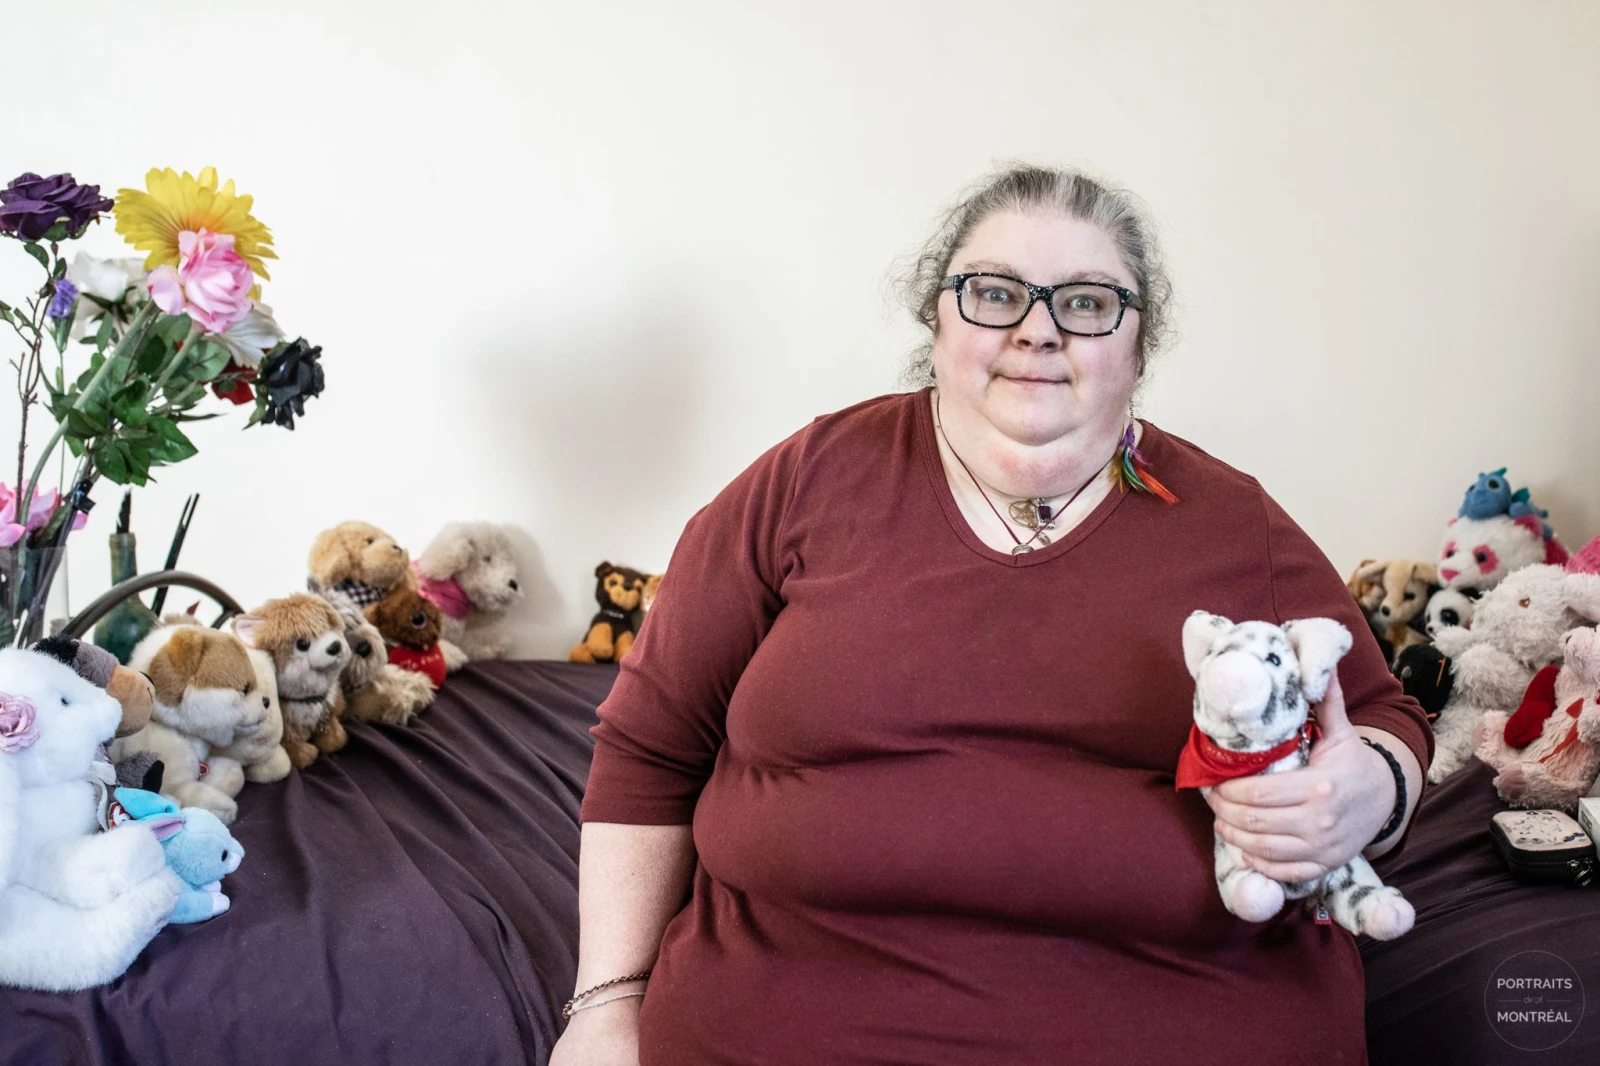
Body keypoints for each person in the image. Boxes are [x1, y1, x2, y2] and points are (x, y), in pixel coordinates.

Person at [550, 165, 1431, 1066]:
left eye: (1087, 303)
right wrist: (606, 1005)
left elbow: (1386, 722)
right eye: (996, 293)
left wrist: (1369, 792)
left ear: (1138, 345)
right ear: (936, 321)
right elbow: (650, 749)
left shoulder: (1233, 522)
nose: (1037, 329)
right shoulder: (806, 480)